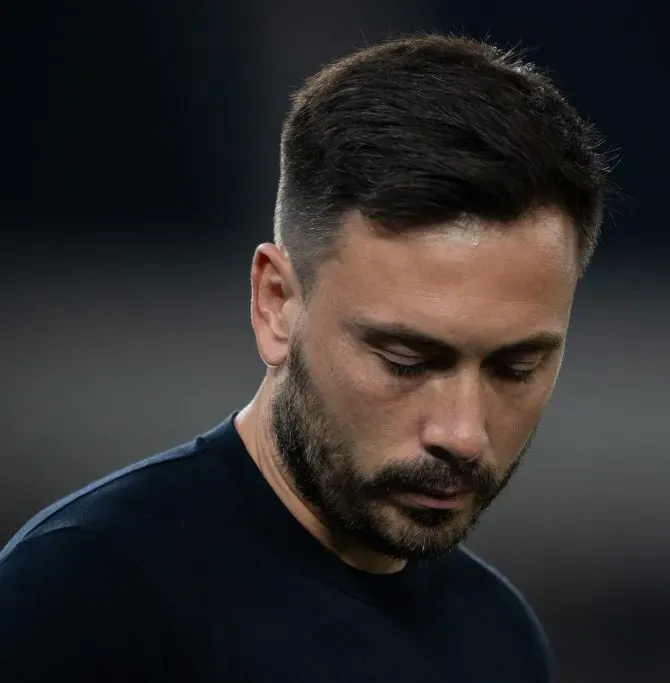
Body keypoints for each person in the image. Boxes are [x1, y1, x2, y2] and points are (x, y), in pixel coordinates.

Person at [0, 33, 609, 682]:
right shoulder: (86, 598)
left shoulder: (500, 642)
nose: (462, 432)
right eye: (405, 359)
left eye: (515, 368)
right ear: (277, 304)